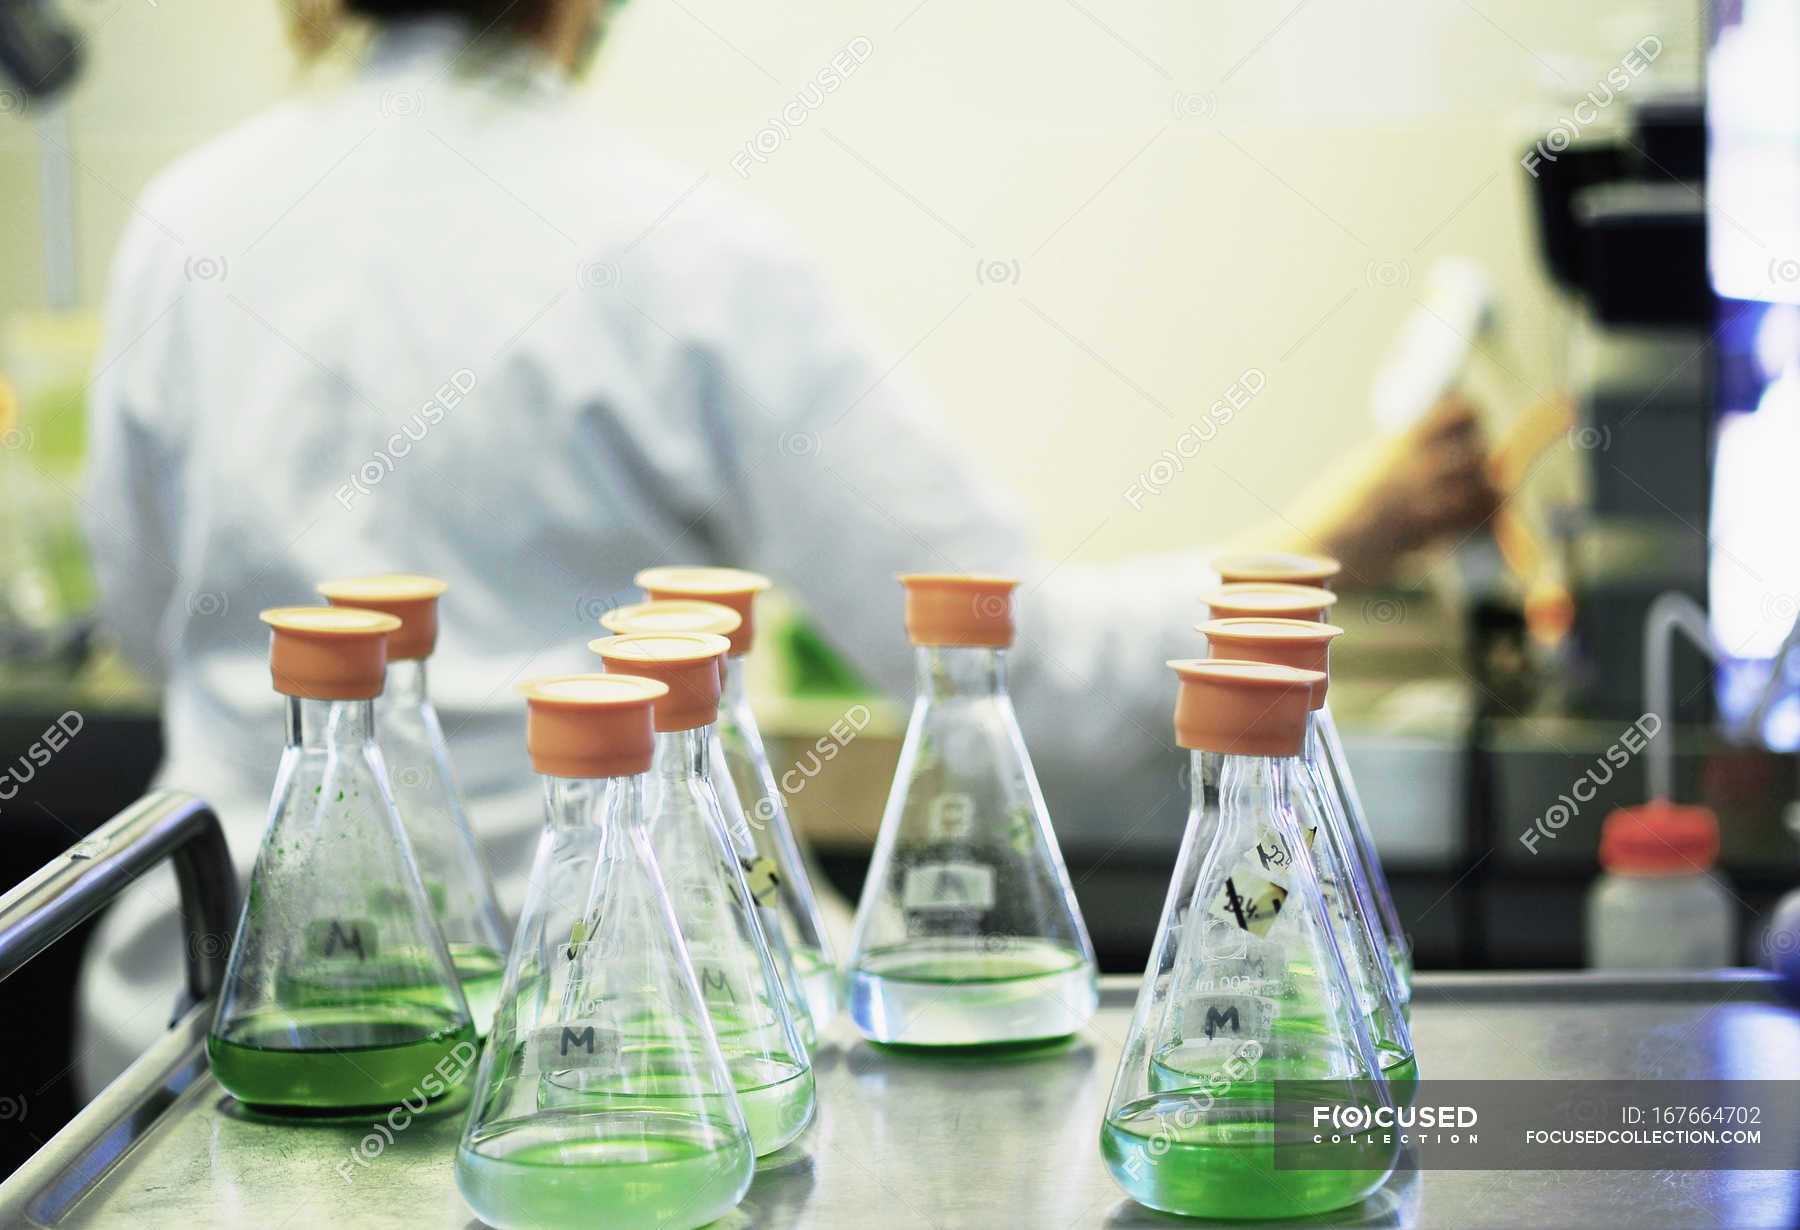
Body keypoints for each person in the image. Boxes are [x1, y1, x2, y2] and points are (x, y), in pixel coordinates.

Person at [78, 0, 1497, 1088]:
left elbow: (151, 627)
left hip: (208, 1037)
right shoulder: (685, 252)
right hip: (629, 1059)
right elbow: (1012, 669)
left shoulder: (179, 227)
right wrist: (1337, 538)